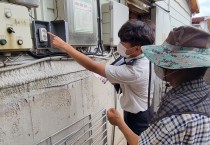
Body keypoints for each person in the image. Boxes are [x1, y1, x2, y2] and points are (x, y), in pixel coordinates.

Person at [48, 19, 155, 135]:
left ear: (137, 48)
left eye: (124, 44)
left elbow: (92, 66)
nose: (120, 45)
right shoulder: (144, 56)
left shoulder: (136, 71)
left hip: (139, 117)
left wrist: (64, 46)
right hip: (138, 109)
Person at [107, 25, 210, 145]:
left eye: (164, 62)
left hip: (139, 114)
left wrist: (119, 122)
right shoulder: (204, 94)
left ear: (174, 68)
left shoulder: (173, 117)